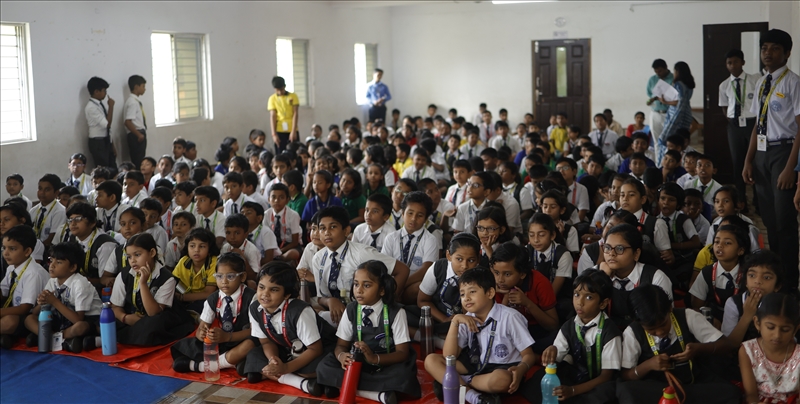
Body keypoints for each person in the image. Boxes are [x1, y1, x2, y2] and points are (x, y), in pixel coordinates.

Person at [424, 267, 536, 404]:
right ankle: (474, 397)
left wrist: (521, 369)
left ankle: (458, 383)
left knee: (502, 380)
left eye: (472, 292)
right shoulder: (466, 318)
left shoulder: (510, 317)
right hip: (474, 364)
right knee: (431, 360)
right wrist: (455, 322)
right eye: (462, 294)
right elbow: (449, 356)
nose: (466, 298)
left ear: (490, 293)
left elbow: (529, 355)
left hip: (501, 367)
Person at [742, 29, 800, 290]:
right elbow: (758, 124)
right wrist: (748, 160)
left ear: (787, 53)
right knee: (769, 219)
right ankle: (775, 276)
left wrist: (791, 167)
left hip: (784, 152)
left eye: (775, 48)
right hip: (762, 154)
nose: (768, 52)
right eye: (764, 47)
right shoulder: (762, 82)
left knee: (784, 220)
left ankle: (789, 283)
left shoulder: (793, 83)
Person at [316, 260, 420, 402]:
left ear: (382, 290)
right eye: (356, 284)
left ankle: (344, 386)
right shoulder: (351, 310)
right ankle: (379, 395)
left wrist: (374, 358)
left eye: (366, 285)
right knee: (324, 366)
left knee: (403, 375)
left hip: (386, 362)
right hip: (358, 363)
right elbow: (341, 345)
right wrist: (342, 356)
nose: (359, 290)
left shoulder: (396, 312)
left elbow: (402, 353)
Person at [617, 285, 740, 404]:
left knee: (731, 393)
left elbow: (726, 345)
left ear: (670, 309)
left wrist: (698, 349)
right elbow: (626, 375)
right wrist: (648, 365)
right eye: (651, 329)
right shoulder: (632, 332)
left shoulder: (687, 316)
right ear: (637, 322)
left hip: (692, 386)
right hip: (657, 391)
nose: (660, 332)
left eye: (663, 324)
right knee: (626, 390)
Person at [243, 261, 335, 394]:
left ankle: (276, 375)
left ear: (286, 295)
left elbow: (315, 349)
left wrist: (285, 368)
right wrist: (273, 360)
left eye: (274, 290)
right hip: (286, 349)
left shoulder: (299, 311)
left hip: (316, 350)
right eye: (261, 287)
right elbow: (266, 342)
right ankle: (303, 383)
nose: (265, 294)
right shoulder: (255, 308)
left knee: (319, 367)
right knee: (253, 354)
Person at [532, 269, 621, 404]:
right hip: (576, 376)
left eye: (589, 297)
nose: (580, 302)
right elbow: (556, 359)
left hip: (599, 383)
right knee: (540, 379)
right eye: (577, 294)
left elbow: (606, 377)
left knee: (603, 394)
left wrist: (573, 391)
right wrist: (552, 351)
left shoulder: (610, 333)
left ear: (603, 303)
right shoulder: (569, 326)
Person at [311, 206, 409, 325]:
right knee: (309, 313)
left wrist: (387, 302)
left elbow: (402, 270)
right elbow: (321, 297)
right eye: (322, 228)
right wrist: (329, 301)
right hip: (339, 313)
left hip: (366, 310)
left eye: (333, 227)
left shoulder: (362, 253)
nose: (327, 232)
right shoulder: (318, 258)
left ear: (346, 231)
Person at [99, 233, 194, 348]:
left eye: (137, 255)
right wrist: (125, 318)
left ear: (152, 253)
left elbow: (153, 312)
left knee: (153, 324)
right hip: (131, 315)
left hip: (155, 316)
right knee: (106, 318)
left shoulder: (166, 278)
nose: (133, 260)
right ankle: (126, 336)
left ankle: (118, 338)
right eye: (129, 257)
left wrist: (143, 283)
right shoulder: (124, 274)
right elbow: (115, 306)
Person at [172, 253, 255, 376]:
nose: (224, 281)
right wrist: (202, 334)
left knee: (251, 344)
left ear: (242, 277)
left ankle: (201, 366)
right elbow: (202, 327)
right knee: (186, 344)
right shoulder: (213, 298)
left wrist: (228, 337)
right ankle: (234, 362)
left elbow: (255, 331)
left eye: (230, 276)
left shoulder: (252, 298)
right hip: (222, 342)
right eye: (219, 276)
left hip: (241, 339)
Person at [23, 242, 103, 352]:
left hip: (86, 319)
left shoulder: (80, 283)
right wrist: (42, 303)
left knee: (80, 327)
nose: (52, 265)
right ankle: (58, 340)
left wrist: (54, 301)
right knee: (29, 319)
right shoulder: (52, 281)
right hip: (62, 320)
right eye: (51, 260)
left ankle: (47, 338)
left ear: (73, 267)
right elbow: (36, 312)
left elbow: (78, 319)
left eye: (59, 262)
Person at [596, 224, 673, 330]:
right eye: (607, 248)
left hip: (645, 334)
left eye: (620, 249)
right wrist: (601, 279)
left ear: (636, 254)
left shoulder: (656, 278)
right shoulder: (596, 272)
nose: (611, 254)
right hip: (606, 334)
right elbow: (585, 313)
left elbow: (663, 319)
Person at [491, 242, 558, 354]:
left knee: (554, 339)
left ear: (522, 274)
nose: (500, 280)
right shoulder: (494, 285)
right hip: (507, 331)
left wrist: (528, 303)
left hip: (534, 329)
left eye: (507, 274)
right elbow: (496, 326)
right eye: (496, 273)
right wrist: (505, 297)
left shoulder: (540, 283)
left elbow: (553, 325)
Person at [739, 292, 800, 404]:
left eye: (785, 330)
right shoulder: (747, 351)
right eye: (770, 327)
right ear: (757, 323)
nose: (777, 335)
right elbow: (751, 394)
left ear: (795, 330)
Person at [719, 49, 760, 213]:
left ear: (743, 62)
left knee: (755, 162)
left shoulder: (754, 80)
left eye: (736, 62)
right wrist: (733, 120)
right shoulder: (724, 85)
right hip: (735, 125)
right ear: (726, 65)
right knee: (738, 163)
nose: (733, 65)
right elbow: (724, 106)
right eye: (729, 63)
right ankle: (741, 201)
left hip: (752, 124)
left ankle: (758, 200)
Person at [689, 224, 749, 325]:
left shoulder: (748, 274)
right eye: (716, 241)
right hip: (713, 322)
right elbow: (696, 306)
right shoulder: (706, 273)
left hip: (742, 322)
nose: (720, 245)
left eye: (727, 243)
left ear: (740, 250)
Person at [0, 225, 49, 349]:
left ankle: (10, 336)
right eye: (4, 248)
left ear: (27, 251)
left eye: (12, 249)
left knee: (8, 322)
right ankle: (6, 337)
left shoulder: (33, 273)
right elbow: (3, 293)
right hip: (15, 311)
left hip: (33, 316)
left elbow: (24, 309)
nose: (5, 253)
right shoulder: (12, 267)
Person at [656, 61, 695, 166]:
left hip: (677, 117)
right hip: (686, 115)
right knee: (680, 144)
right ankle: (679, 164)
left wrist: (665, 102)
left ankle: (662, 165)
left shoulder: (679, 84)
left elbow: (679, 103)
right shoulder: (689, 85)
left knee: (664, 141)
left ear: (677, 71)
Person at [264, 184, 302, 263]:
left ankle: (280, 259)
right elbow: (265, 237)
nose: (276, 200)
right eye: (273, 197)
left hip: (288, 245)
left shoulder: (293, 215)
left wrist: (280, 251)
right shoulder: (266, 215)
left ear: (287, 200)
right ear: (268, 199)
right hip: (271, 244)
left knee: (292, 254)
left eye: (281, 197)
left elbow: (295, 242)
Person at [84, 76, 116, 168]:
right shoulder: (91, 107)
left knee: (112, 168)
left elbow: (108, 129)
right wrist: (111, 107)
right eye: (104, 91)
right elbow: (107, 124)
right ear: (96, 91)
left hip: (105, 140)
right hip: (98, 142)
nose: (106, 93)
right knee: (103, 169)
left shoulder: (99, 104)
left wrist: (112, 144)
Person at [645, 60, 674, 163]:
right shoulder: (652, 79)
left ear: (666, 68)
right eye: (656, 71)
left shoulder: (673, 78)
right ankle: (659, 163)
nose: (658, 73)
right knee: (657, 141)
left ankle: (669, 162)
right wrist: (653, 99)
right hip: (656, 113)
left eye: (660, 71)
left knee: (669, 141)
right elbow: (649, 93)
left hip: (669, 113)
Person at [29, 174, 67, 249]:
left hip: (49, 249)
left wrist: (36, 250)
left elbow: (52, 239)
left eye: (47, 190)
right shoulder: (33, 210)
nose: (42, 193)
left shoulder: (60, 211)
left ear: (56, 193)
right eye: (40, 189)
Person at [268, 76, 299, 154]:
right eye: (277, 90)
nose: (280, 92)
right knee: (280, 153)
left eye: (281, 89)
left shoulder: (293, 96)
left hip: (292, 129)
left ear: (284, 86)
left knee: (294, 152)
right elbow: (273, 116)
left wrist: (293, 131)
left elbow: (295, 113)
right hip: (279, 130)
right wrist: (274, 134)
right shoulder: (272, 99)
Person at [124, 75, 147, 168]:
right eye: (143, 86)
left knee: (141, 160)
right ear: (136, 87)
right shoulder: (132, 102)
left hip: (138, 133)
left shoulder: (135, 101)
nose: (145, 89)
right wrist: (139, 135)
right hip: (136, 135)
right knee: (138, 162)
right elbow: (127, 122)